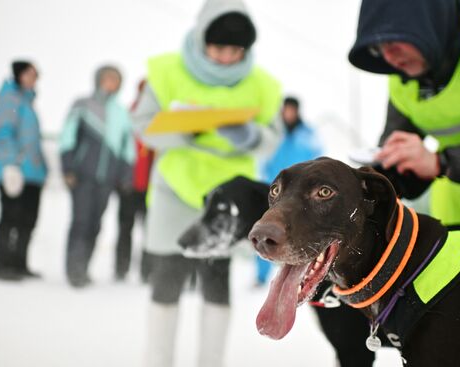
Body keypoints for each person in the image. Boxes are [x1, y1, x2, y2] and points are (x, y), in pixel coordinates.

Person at [132, 0, 282, 365]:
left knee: (217, 280)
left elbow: (272, 138)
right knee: (166, 278)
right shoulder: (167, 72)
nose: (226, 57)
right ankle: (157, 360)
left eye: (235, 50)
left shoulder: (262, 85)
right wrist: (186, 131)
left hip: (226, 198)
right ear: (201, 39)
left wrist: (248, 136)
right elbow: (142, 125)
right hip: (175, 190)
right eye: (218, 48)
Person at [348, 0, 460, 230]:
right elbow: (397, 152)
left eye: (391, 41)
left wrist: (439, 162)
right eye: (376, 49)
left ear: (422, 20)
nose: (388, 57)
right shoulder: (403, 71)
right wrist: (372, 184)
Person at [59, 65, 136, 288]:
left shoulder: (121, 112)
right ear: (98, 80)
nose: (111, 83)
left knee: (95, 223)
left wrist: (125, 176)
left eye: (115, 80)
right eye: (107, 78)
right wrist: (68, 168)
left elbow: (127, 148)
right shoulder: (82, 105)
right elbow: (67, 137)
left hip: (107, 179)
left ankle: (84, 267)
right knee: (81, 221)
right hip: (82, 176)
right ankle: (74, 270)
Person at [255, 96, 322, 286]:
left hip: (301, 197)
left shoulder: (308, 135)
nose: (289, 113)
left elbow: (318, 161)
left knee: (296, 233)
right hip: (274, 191)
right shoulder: (274, 133)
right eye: (286, 109)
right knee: (265, 232)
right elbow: (262, 159)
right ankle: (261, 277)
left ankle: (297, 274)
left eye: (292, 109)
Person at [0, 60, 48, 281]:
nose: (34, 79)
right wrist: (9, 165)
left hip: (33, 174)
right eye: (30, 74)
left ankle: (19, 264)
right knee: (10, 218)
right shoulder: (10, 99)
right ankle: (2, 265)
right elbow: (3, 133)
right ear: (19, 74)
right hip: (14, 172)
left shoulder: (28, 103)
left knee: (27, 220)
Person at [115, 79, 157, 282]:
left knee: (150, 231)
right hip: (129, 184)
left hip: (152, 187)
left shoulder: (160, 118)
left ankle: (146, 272)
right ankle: (120, 269)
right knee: (125, 228)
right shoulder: (127, 116)